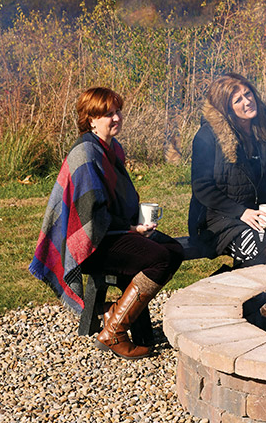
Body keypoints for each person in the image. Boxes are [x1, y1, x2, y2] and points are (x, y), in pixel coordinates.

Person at [30, 87, 184, 360]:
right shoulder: (86, 154)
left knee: (174, 250)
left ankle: (115, 315)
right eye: (107, 114)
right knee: (159, 258)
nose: (116, 118)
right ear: (90, 120)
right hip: (89, 244)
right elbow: (92, 214)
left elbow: (116, 200)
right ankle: (115, 329)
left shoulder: (113, 149)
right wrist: (131, 230)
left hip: (110, 233)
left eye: (117, 112)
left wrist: (136, 223)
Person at [188, 73, 266, 267]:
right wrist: (242, 212)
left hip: (261, 210)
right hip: (220, 216)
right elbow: (202, 187)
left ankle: (265, 291)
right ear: (227, 109)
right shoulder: (208, 137)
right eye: (238, 100)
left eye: (248, 94)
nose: (248, 101)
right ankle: (238, 290)